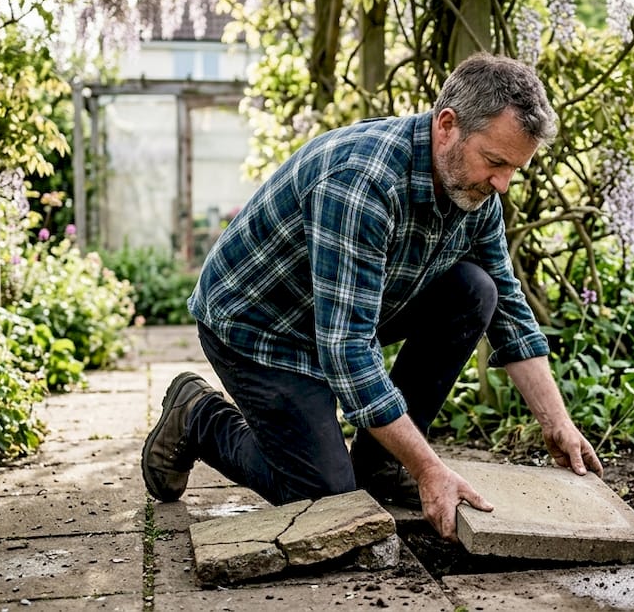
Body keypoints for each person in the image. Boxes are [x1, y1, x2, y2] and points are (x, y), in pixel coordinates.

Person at [141, 52, 604, 540]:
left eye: (513, 168)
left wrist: (557, 424)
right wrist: (430, 470)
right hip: (261, 328)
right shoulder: (361, 181)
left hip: (342, 310)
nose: (503, 184)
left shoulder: (475, 191)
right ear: (447, 126)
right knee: (326, 500)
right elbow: (347, 350)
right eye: (494, 162)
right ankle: (197, 414)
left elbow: (507, 307)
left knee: (476, 290)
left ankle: (381, 464)